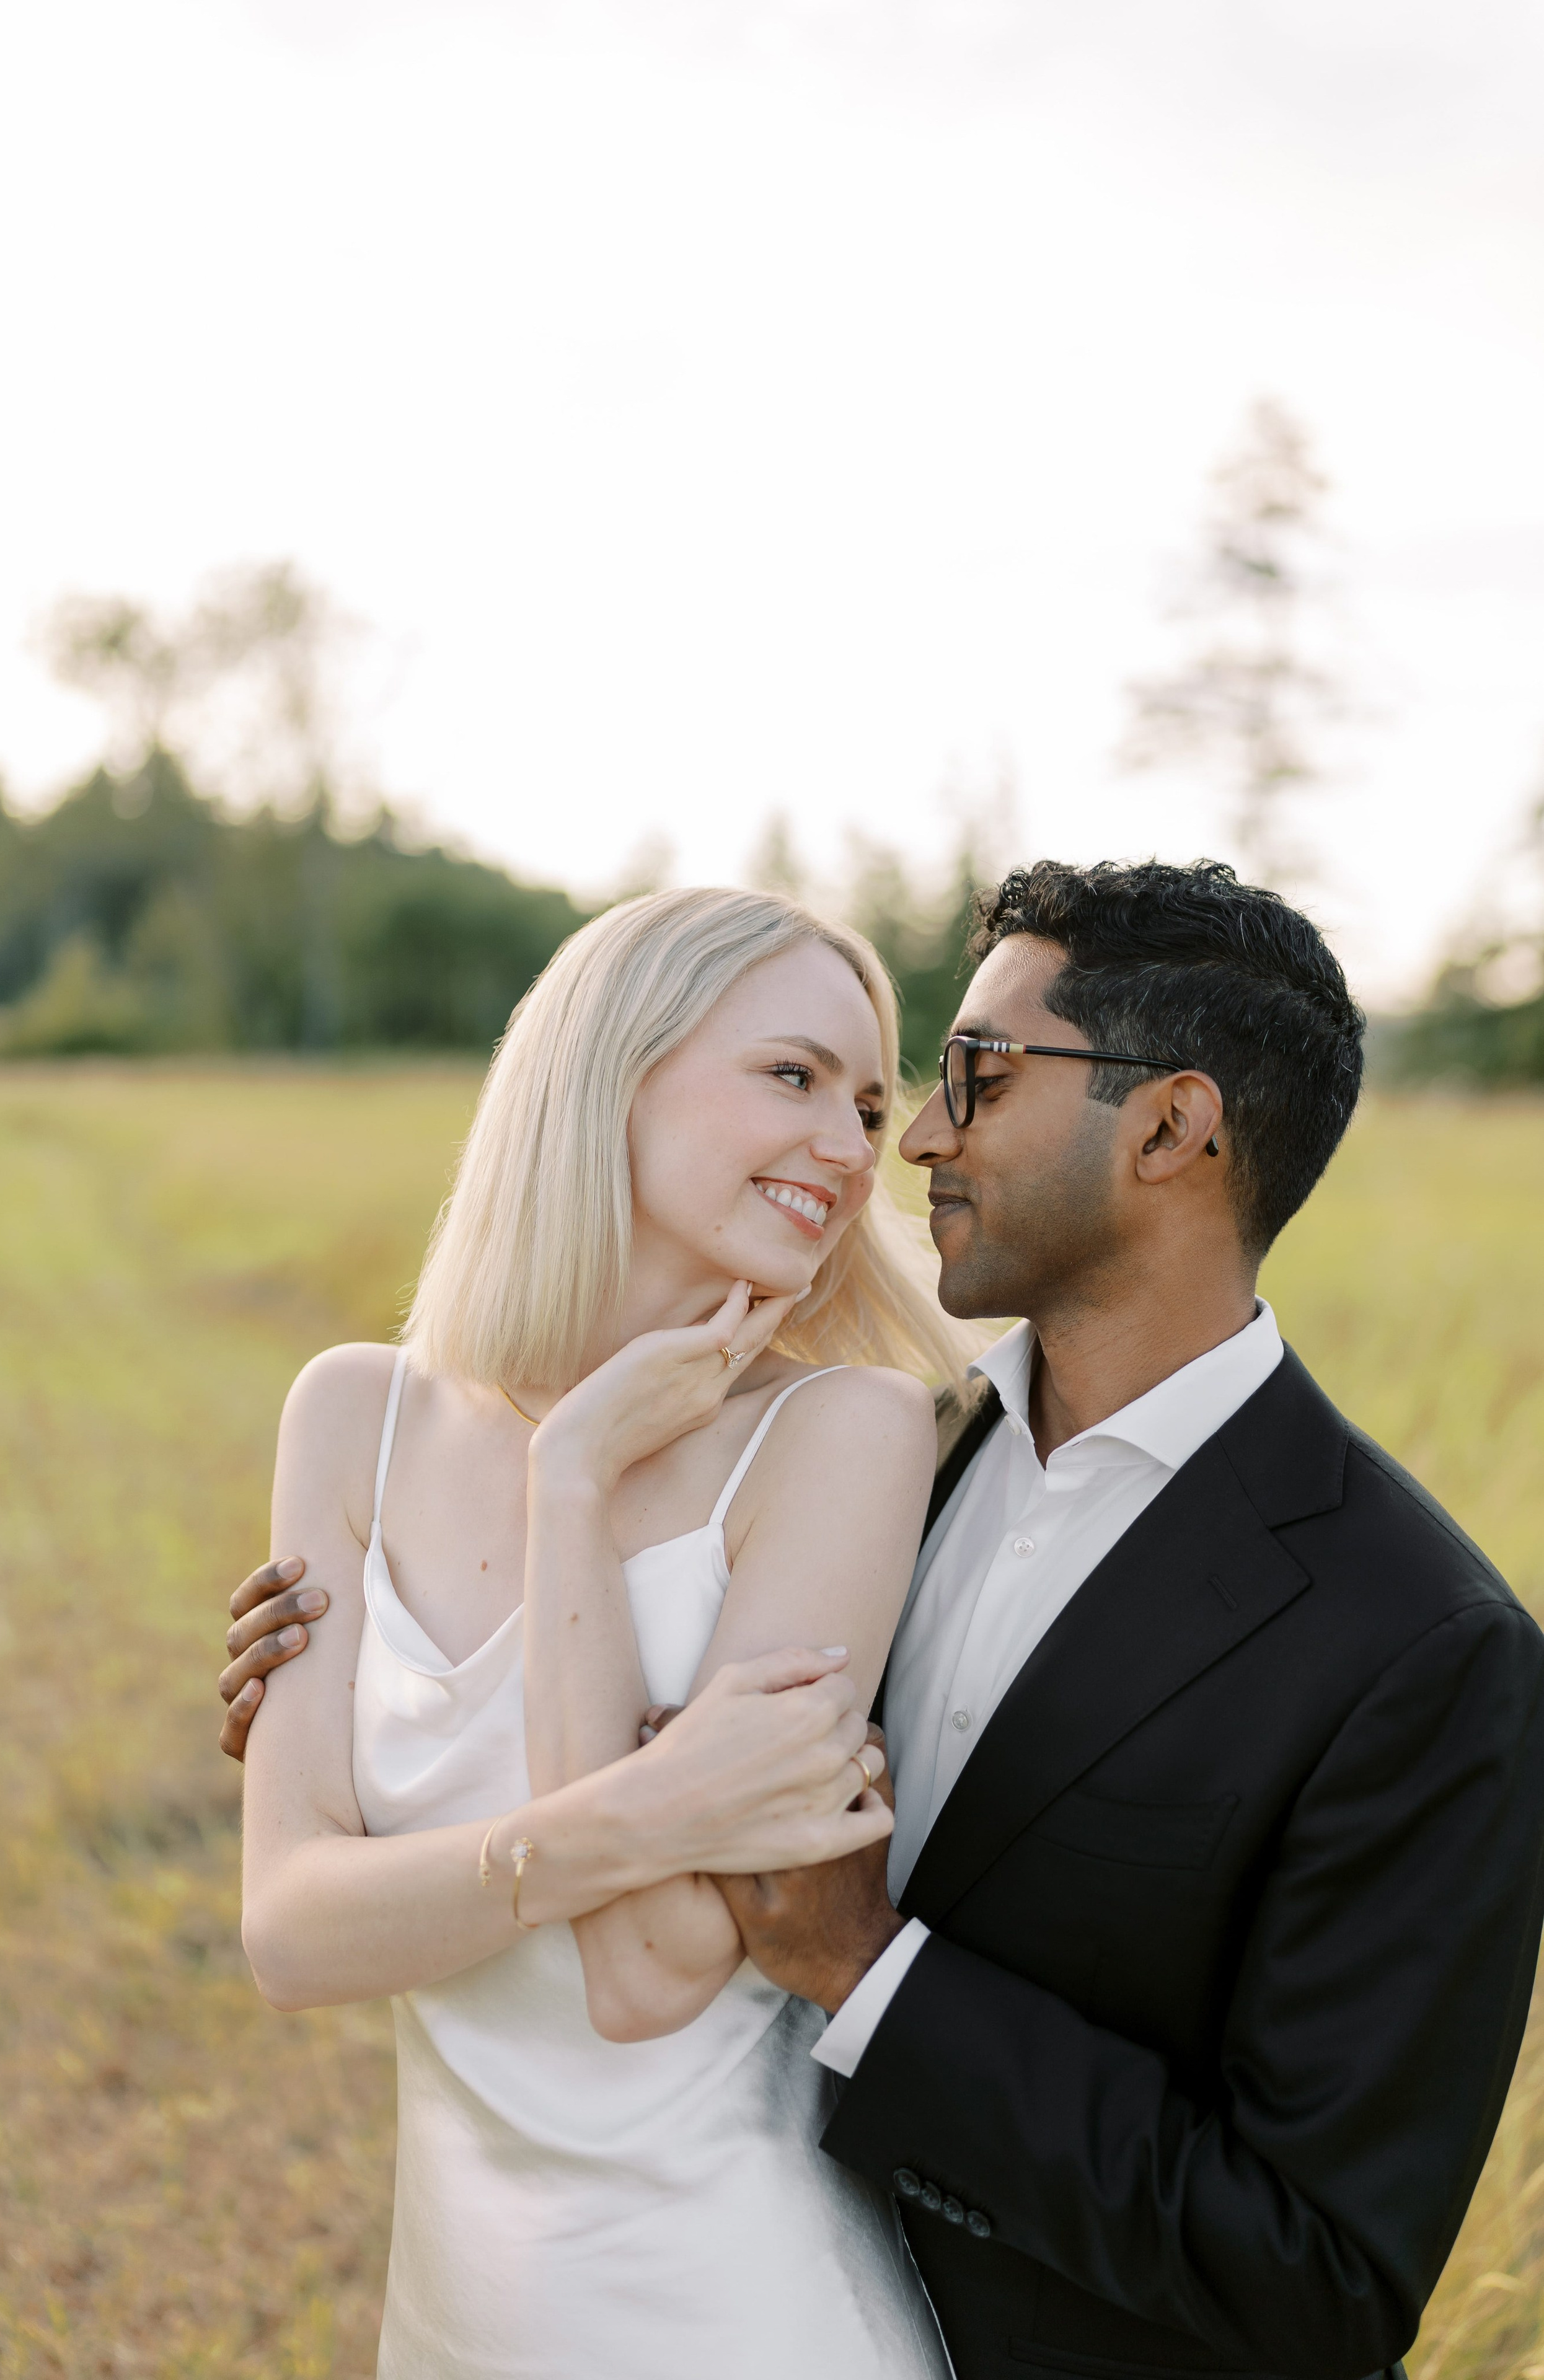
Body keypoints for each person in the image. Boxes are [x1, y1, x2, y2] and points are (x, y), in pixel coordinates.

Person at [226, 859, 1544, 2380]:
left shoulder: (1421, 1649)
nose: (903, 1141)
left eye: (966, 1080)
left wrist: (865, 1967)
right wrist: (363, 1704)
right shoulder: (922, 1445)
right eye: (858, 1087)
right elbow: (387, 1857)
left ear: (1172, 1128)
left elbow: (1318, 2273)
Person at [235, 885, 969, 2380]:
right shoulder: (351, 1414)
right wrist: (649, 1808)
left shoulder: (845, 1432)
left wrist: (572, 1483)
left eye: (868, 1100)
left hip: (738, 2312)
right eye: (791, 1075)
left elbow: (641, 1976)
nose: (850, 1143)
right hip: (451, 2317)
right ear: (605, 1069)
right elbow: (288, 1935)